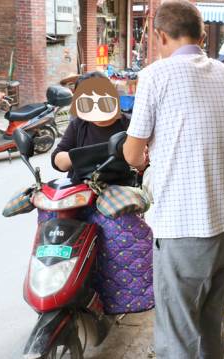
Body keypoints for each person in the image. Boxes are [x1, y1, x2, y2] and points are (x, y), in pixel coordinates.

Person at [122, 1, 224, 358]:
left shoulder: (155, 75)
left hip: (182, 232)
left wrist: (150, 157)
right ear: (203, 34)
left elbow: (132, 155)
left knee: (177, 338)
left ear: (160, 35)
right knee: (210, 328)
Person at [49, 72, 154, 315]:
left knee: (129, 238)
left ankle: (123, 301)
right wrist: (76, 157)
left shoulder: (128, 125)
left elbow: (141, 163)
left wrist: (137, 160)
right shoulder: (78, 126)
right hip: (80, 195)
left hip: (118, 196)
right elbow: (59, 159)